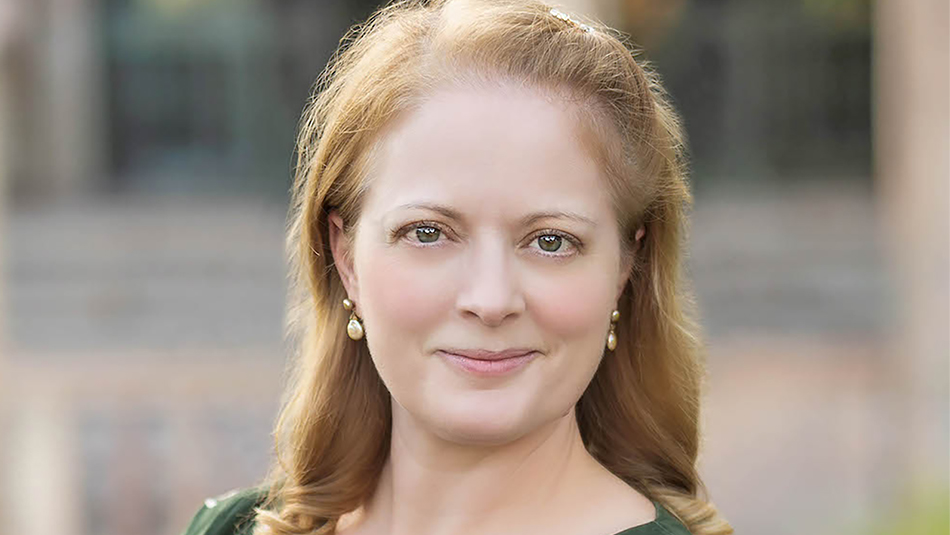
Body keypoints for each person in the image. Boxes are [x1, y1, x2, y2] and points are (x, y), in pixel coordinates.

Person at [182, 1, 733, 534]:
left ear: (624, 268)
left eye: (551, 241)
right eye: (427, 233)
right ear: (345, 257)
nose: (490, 300)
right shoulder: (230, 530)